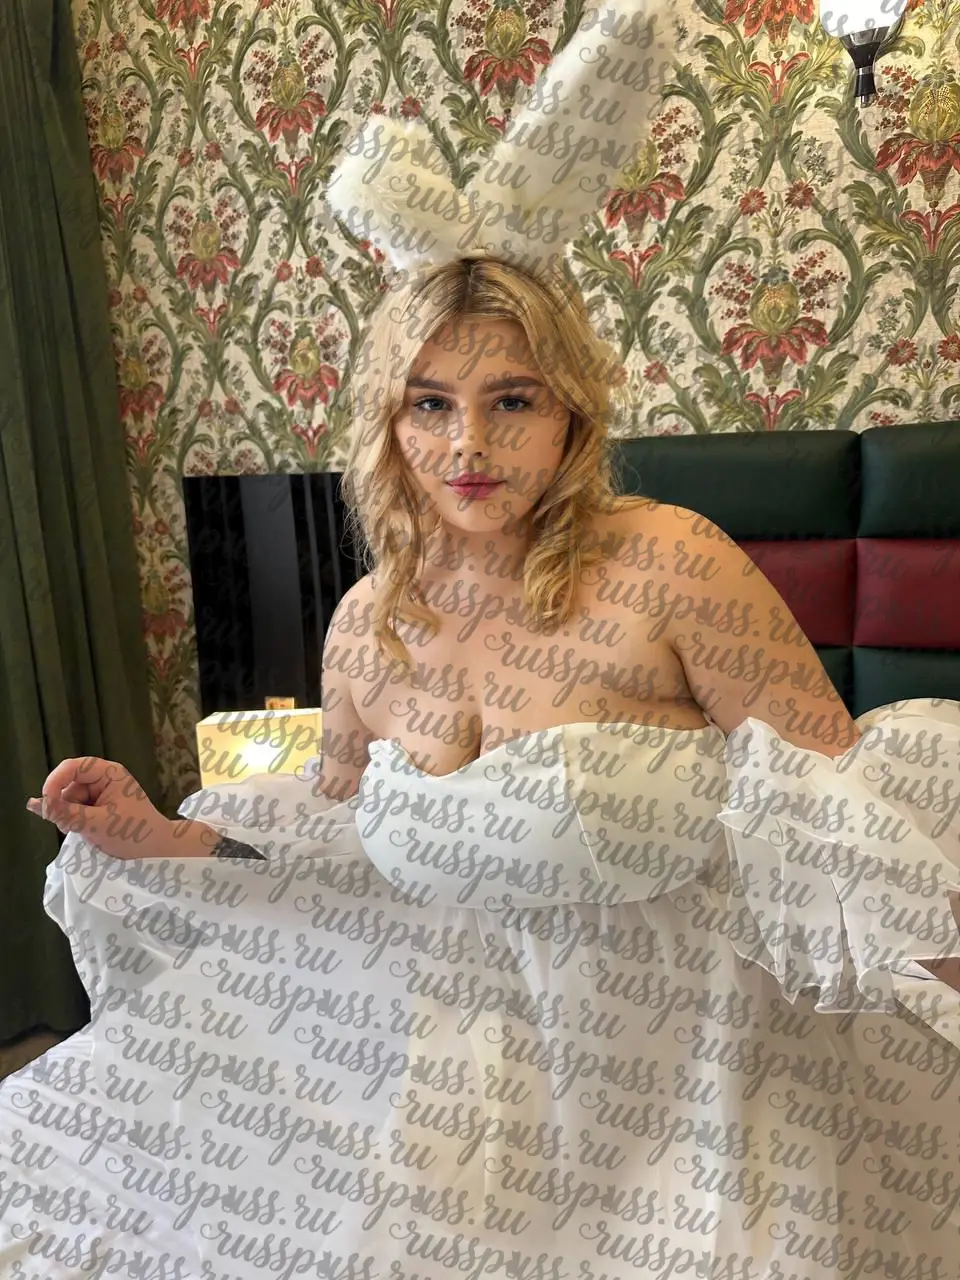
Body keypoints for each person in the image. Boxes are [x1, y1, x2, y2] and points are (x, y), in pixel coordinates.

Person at [7, 254, 960, 1280]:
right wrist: (161, 836)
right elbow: (336, 849)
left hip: (696, 1080)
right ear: (390, 422)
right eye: (430, 404)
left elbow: (843, 819)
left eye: (512, 400)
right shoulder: (367, 624)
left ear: (570, 414)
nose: (468, 442)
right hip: (463, 1080)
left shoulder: (669, 561)